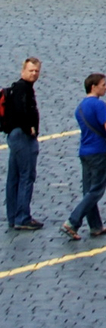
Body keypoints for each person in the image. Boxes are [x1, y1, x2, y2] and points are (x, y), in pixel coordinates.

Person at [65, 70, 106, 240]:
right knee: (96, 190)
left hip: (84, 151)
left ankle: (95, 226)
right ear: (93, 87)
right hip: (98, 152)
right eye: (103, 85)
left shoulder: (80, 107)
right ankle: (73, 221)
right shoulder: (99, 105)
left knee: (88, 190)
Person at [2, 56, 36, 233]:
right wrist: (30, 128)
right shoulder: (23, 88)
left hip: (13, 136)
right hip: (21, 136)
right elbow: (22, 111)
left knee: (14, 177)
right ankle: (23, 217)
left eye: (36, 71)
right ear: (23, 71)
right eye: (31, 70)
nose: (34, 74)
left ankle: (13, 216)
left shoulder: (18, 88)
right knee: (26, 175)